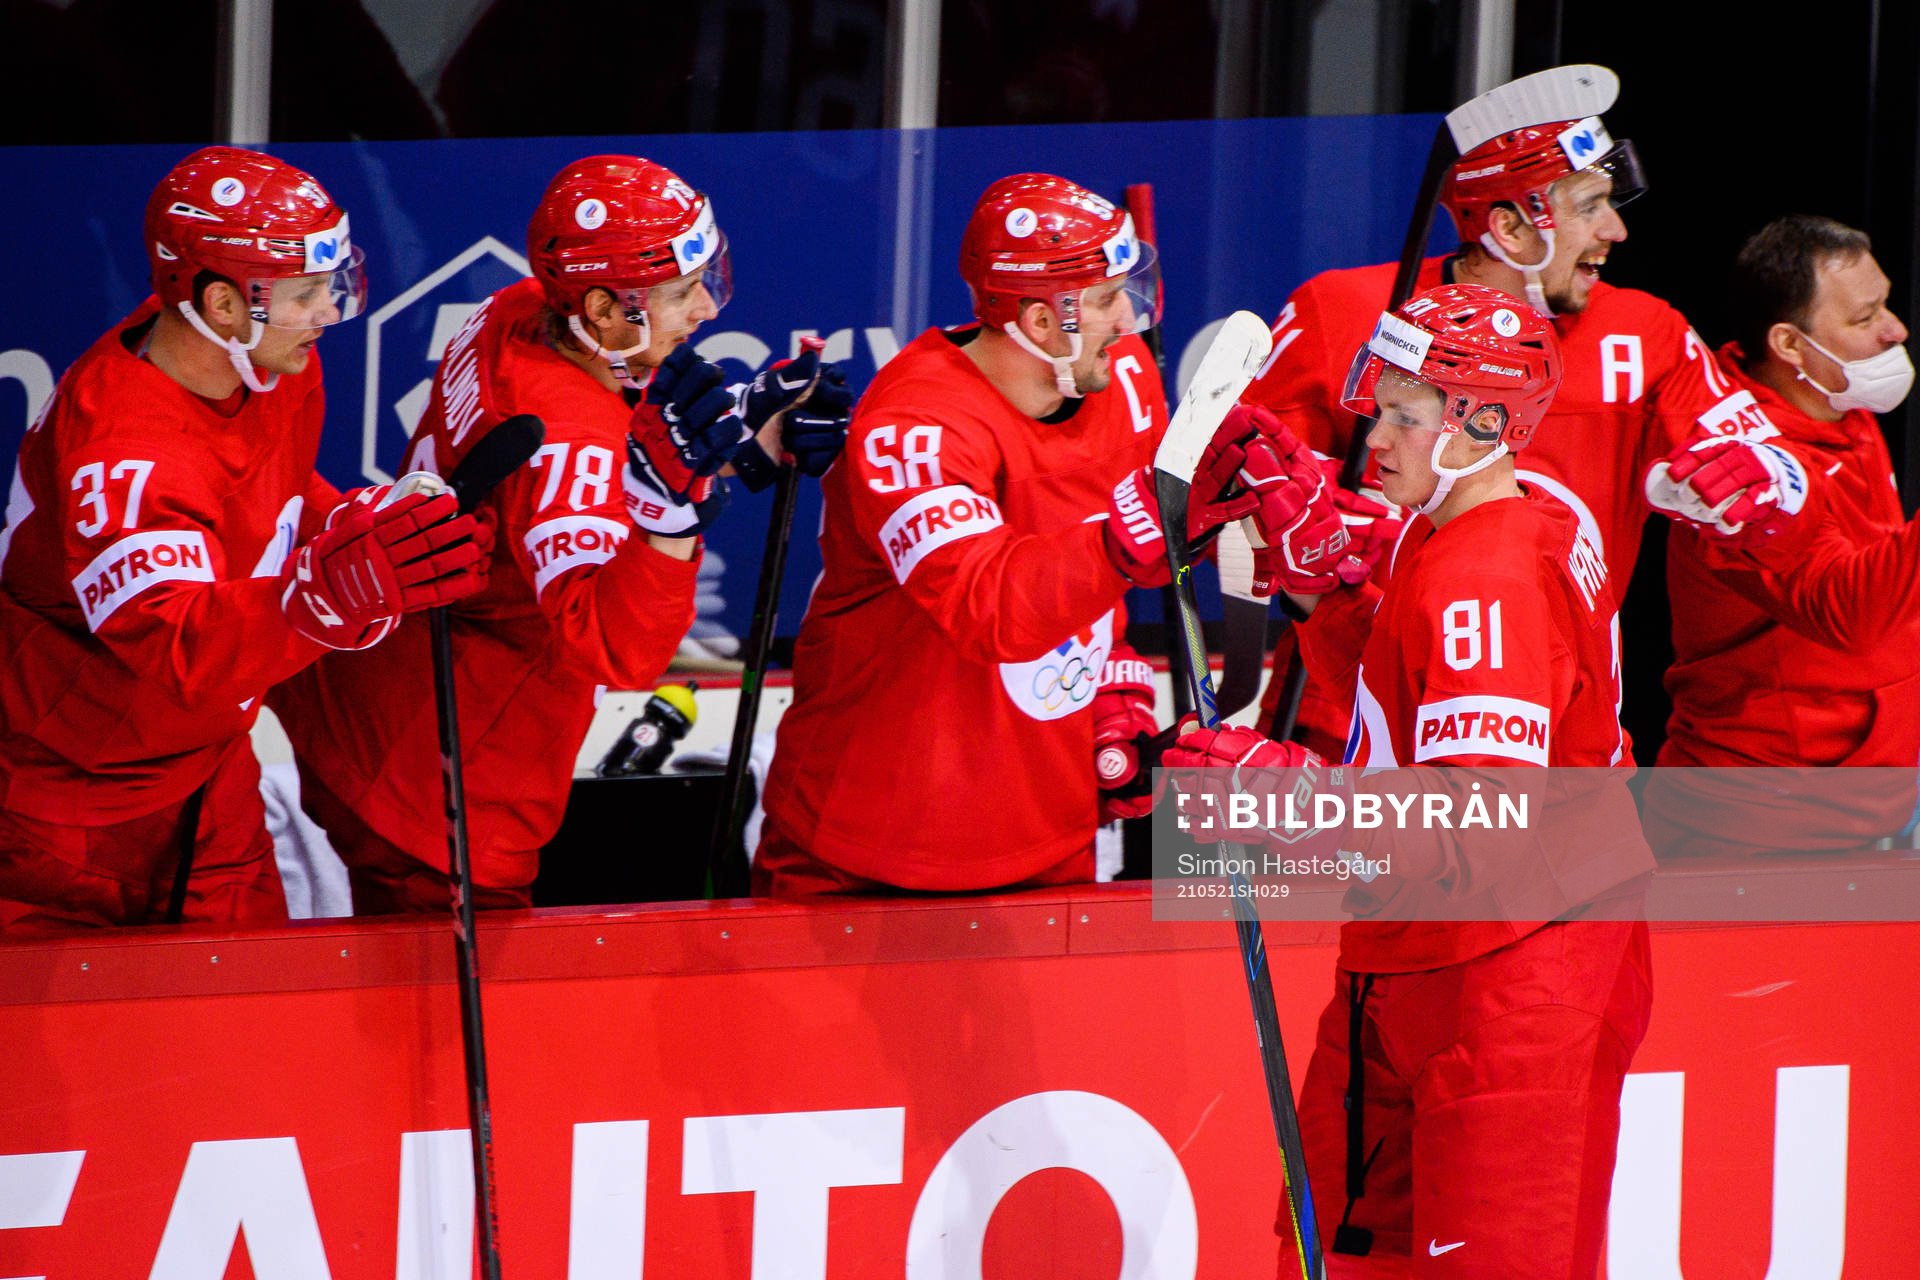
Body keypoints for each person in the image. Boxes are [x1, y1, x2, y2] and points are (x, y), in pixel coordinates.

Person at [1169, 284, 1654, 1276]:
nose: (1373, 438)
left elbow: (1481, 821)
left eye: (1404, 414)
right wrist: (1323, 585)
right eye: (1377, 404)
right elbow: (1415, 698)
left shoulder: (1494, 578)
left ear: (1480, 422)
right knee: (1346, 1252)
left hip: (1515, 981)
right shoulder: (1462, 526)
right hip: (1410, 962)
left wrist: (1293, 796)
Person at [268, 155, 849, 913]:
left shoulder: (516, 308)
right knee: (430, 1025)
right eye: (681, 292)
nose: (706, 307)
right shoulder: (572, 444)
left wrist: (737, 429)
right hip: (445, 778)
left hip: (371, 695)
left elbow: (598, 430)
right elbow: (619, 646)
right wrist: (669, 516)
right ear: (604, 311)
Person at [756, 172, 1306, 897]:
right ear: (1042, 322)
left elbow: (1097, 591)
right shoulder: (915, 425)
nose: (1129, 322)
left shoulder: (1123, 379)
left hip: (1050, 836)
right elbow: (988, 606)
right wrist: (1131, 532)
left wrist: (1113, 704)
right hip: (871, 842)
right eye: (1109, 301)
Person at [0, 146, 487, 933]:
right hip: (75, 805)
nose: (330, 312)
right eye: (306, 293)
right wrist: (331, 593)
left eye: (332, 283)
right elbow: (181, 647)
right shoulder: (124, 452)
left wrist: (356, 523)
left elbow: (274, 490)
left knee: (248, 1022)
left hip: (210, 765)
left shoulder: (268, 361)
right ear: (221, 305)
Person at [1241, 89, 1796, 757]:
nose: (1615, 230)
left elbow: (1764, 465)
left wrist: (1769, 475)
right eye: (1589, 206)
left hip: (1518, 719)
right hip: (1351, 702)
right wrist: (1324, 538)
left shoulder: (1645, 333)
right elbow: (1257, 481)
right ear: (1509, 229)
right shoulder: (1344, 309)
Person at [1646, 214, 1920, 855]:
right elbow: (1848, 612)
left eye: (1885, 303)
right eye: (1864, 317)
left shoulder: (1838, 401)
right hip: (1755, 828)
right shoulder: (1732, 472)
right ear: (1791, 346)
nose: (1895, 330)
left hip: (1873, 804)